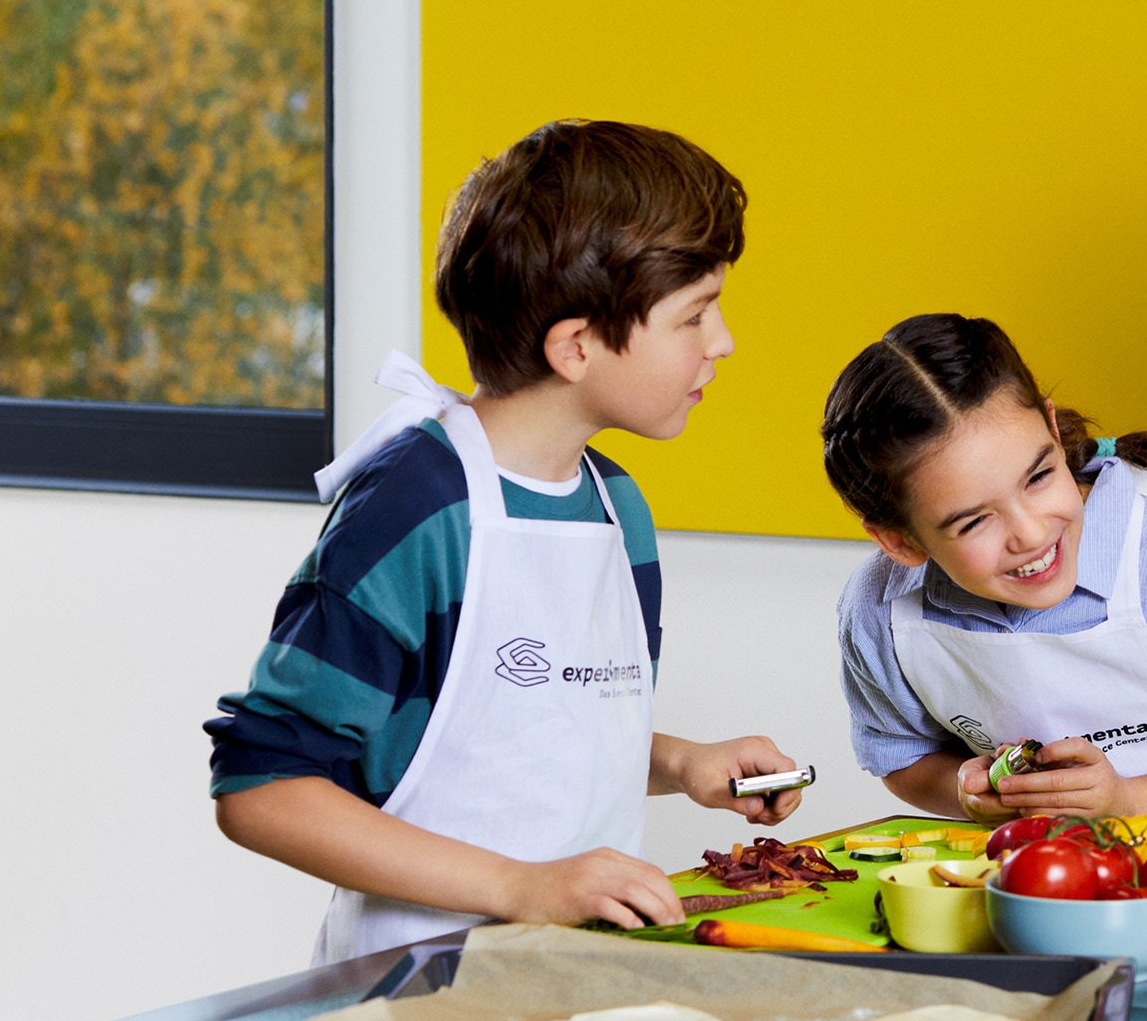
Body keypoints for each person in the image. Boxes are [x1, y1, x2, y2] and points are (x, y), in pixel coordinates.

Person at [204, 120, 803, 963]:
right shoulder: (415, 506)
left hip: (573, 976)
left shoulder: (614, 507)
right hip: (412, 991)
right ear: (577, 346)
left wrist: (682, 763)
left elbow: (534, 740)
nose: (724, 341)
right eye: (695, 315)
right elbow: (262, 787)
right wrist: (523, 888)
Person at [822, 313, 1147, 825]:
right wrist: (968, 790)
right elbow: (902, 758)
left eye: (1037, 477)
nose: (1030, 534)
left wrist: (1128, 798)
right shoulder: (880, 611)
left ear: (1054, 431)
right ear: (900, 541)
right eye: (974, 522)